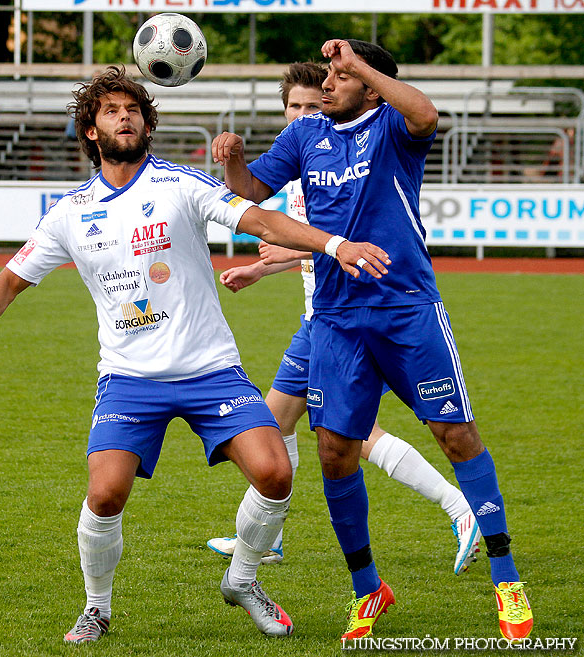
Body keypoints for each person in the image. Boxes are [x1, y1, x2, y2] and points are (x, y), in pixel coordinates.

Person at [0, 65, 391, 646]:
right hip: (130, 379)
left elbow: (260, 216)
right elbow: (9, 279)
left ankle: (244, 580)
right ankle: (97, 608)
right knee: (104, 494)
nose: (123, 118)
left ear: (148, 124)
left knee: (276, 474)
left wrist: (334, 244)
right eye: (111, 111)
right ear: (90, 130)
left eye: (133, 110)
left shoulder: (182, 185)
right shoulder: (70, 213)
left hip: (211, 372)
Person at [211, 42, 532, 644]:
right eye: (329, 74)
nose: (329, 85)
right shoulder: (306, 135)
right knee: (335, 451)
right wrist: (232, 163)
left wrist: (361, 68)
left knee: (456, 434)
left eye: (341, 76)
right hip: (334, 318)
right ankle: (368, 590)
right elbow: (252, 192)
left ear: (372, 84)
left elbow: (428, 114)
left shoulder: (393, 124)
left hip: (407, 310)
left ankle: (507, 578)